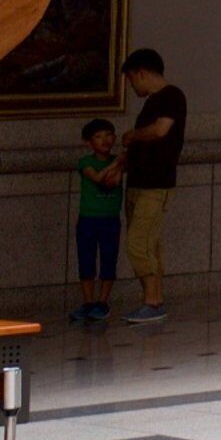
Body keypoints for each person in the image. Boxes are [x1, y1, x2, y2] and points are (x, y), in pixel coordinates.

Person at [119, 48, 187, 323]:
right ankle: (155, 299)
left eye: (131, 80)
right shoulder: (153, 102)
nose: (132, 86)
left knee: (139, 242)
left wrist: (133, 135)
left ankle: (152, 300)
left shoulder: (171, 97)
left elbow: (160, 131)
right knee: (150, 243)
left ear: (141, 73)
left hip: (155, 184)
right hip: (140, 180)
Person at [70, 118, 124, 325]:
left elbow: (113, 182)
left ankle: (102, 301)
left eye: (108, 135)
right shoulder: (86, 162)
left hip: (110, 218)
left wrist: (117, 165)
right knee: (86, 260)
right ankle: (88, 301)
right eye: (99, 137)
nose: (105, 140)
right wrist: (116, 164)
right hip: (88, 218)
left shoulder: (118, 162)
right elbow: (99, 179)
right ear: (89, 142)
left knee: (109, 259)